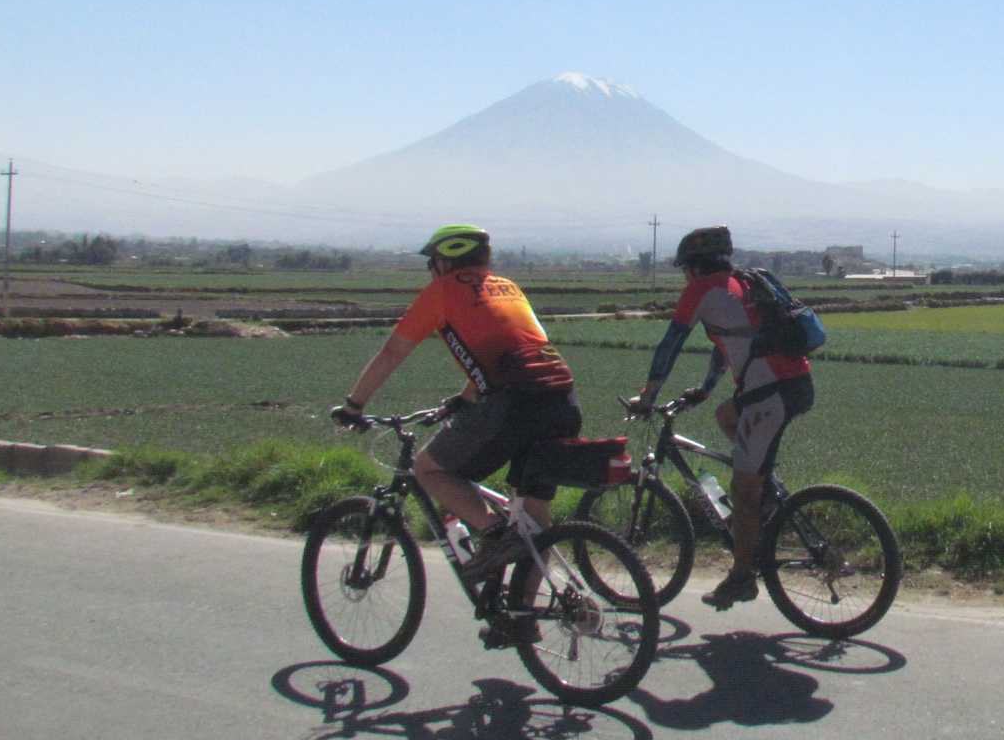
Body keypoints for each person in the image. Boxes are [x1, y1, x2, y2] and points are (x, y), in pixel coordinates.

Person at [331, 224, 580, 583]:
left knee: (429, 469)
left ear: (446, 261)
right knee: (532, 512)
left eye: (432, 263)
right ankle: (523, 618)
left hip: (514, 405)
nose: (431, 271)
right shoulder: (507, 287)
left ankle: (494, 535)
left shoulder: (443, 291)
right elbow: (513, 352)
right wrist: (464, 399)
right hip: (563, 400)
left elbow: (391, 352)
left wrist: (354, 405)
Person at [627, 225, 816, 609]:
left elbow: (671, 344)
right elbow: (727, 342)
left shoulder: (700, 291)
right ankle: (766, 491)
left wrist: (648, 396)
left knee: (743, 492)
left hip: (770, 394)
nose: (684, 276)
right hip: (793, 383)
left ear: (693, 267)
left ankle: (742, 576)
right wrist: (707, 388)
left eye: (684, 269)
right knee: (725, 415)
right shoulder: (741, 284)